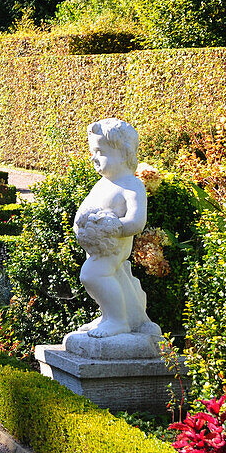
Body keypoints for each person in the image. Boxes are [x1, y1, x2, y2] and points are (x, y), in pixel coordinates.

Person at [72, 118, 158, 339]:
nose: (94, 157)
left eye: (100, 151)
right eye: (93, 151)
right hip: (96, 246)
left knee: (91, 275)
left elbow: (137, 222)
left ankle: (118, 321)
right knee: (102, 277)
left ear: (124, 153)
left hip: (113, 247)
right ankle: (110, 315)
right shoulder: (101, 185)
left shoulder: (132, 185)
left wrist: (114, 228)